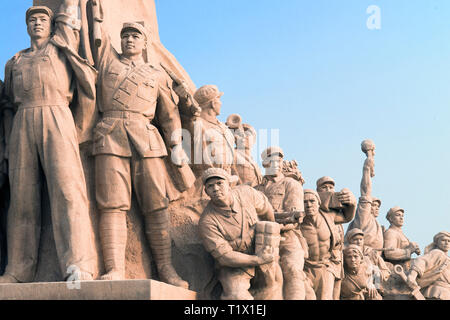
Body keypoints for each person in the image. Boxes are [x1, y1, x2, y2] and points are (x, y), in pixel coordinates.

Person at [91, 19, 194, 287]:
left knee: (156, 206)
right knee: (111, 205)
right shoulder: (107, 63)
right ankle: (114, 268)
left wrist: (176, 147)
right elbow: (96, 26)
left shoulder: (156, 75)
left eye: (135, 36)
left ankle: (166, 269)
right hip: (110, 136)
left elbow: (169, 116)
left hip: (146, 139)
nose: (129, 40)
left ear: (144, 42)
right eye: (125, 36)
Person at [0, 2, 97, 283]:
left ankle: (79, 264)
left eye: (43, 19)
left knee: (68, 191)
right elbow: (8, 102)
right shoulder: (14, 61)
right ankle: (18, 269)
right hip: (22, 120)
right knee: (21, 199)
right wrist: (7, 141)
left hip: (56, 113)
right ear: (27, 26)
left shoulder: (60, 47)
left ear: (52, 24)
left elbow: (68, 15)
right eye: (32, 20)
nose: (37, 23)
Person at [198, 168, 277, 300]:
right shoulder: (207, 222)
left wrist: (273, 230)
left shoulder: (246, 193)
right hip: (235, 267)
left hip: (262, 251)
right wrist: (257, 260)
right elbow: (225, 257)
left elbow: (266, 208)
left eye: (219, 183)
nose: (216, 189)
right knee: (236, 296)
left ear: (229, 185)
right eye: (210, 186)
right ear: (206, 192)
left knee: (276, 286)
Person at [257, 147, 314, 300]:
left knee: (293, 270)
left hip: (288, 238)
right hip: (261, 238)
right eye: (271, 160)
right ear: (264, 163)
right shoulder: (257, 189)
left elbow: (295, 218)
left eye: (279, 160)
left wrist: (275, 224)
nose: (276, 164)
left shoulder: (290, 184)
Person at [301, 189, 357, 300]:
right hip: (306, 268)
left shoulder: (328, 216)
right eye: (305, 202)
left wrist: (353, 204)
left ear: (318, 203)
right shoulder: (298, 222)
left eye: (312, 201)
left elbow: (347, 217)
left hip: (325, 266)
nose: (308, 205)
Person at [190, 85, 236, 178]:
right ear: (213, 103)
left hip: (227, 178)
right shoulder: (197, 124)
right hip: (207, 181)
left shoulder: (224, 128)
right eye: (219, 100)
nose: (221, 103)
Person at [346, 139, 384, 250]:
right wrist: (366, 170)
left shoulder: (375, 224)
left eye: (378, 206)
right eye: (374, 206)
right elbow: (366, 192)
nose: (376, 208)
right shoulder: (364, 217)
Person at [315, 176, 347, 300]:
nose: (328, 190)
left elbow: (349, 215)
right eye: (324, 187)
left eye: (331, 187)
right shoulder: (316, 212)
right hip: (325, 262)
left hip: (338, 262)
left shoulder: (337, 213)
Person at [406, 231, 450, 300]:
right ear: (437, 242)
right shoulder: (437, 253)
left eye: (449, 241)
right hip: (439, 291)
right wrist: (412, 275)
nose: (447, 243)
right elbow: (421, 261)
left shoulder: (447, 258)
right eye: (443, 240)